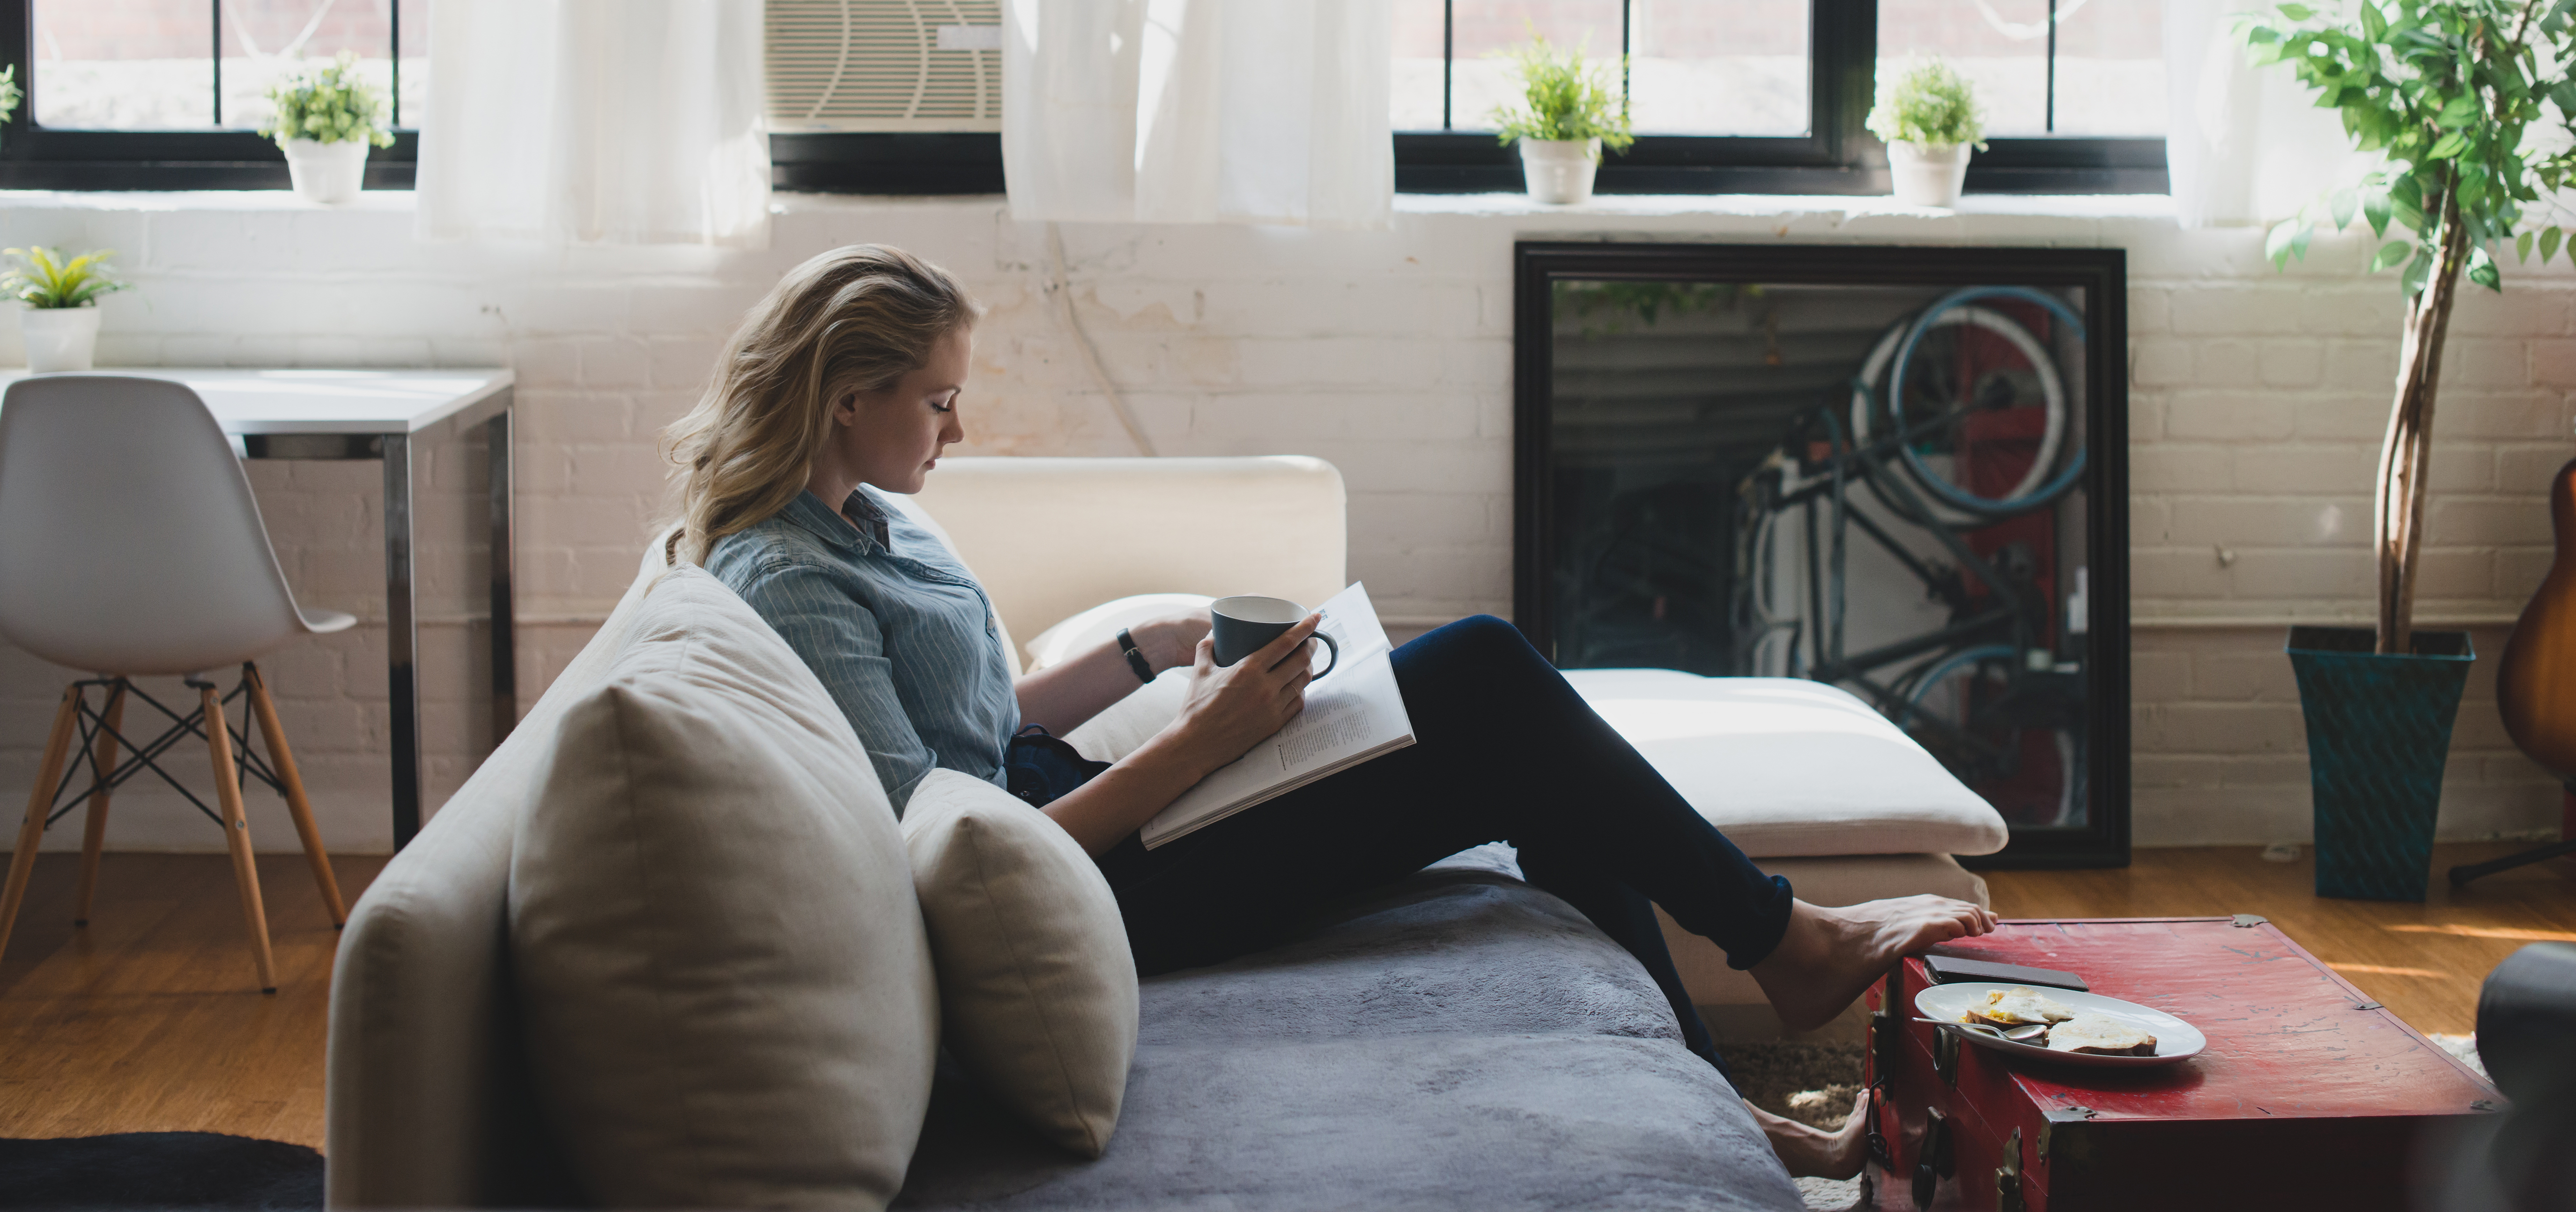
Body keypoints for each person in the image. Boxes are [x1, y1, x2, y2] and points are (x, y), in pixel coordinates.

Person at [669, 244, 1994, 1182]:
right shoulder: (790, 577)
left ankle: (1726, 1078)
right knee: (1479, 675)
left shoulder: (869, 519)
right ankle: (1781, 938)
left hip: (1064, 799)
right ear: (850, 395)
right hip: (1070, 887)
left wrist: (1155, 649)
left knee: (1510, 745)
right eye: (939, 399)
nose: (956, 428)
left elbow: (986, 719)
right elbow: (943, 849)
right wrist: (1208, 743)